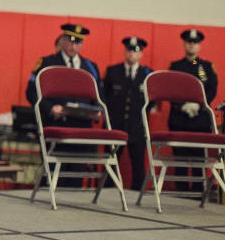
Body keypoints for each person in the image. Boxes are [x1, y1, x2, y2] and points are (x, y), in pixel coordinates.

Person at [25, 23, 102, 188]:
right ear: (63, 40)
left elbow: (98, 96)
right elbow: (31, 92)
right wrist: (50, 108)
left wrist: (97, 112)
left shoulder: (90, 67)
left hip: (81, 128)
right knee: (52, 175)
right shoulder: (46, 63)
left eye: (78, 42)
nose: (74, 46)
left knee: (76, 174)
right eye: (71, 41)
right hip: (56, 124)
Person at [168, 28, 218, 192]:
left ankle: (197, 193)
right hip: (179, 120)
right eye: (189, 42)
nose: (191, 45)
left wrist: (199, 104)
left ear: (199, 46)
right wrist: (182, 106)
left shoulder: (205, 67)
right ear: (184, 44)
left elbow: (210, 89)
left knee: (198, 162)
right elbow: (170, 89)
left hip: (199, 121)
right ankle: (181, 193)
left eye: (195, 42)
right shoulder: (176, 66)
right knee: (180, 161)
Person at [102, 36, 151, 191]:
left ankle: (138, 195)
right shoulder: (112, 71)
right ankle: (106, 192)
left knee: (138, 165)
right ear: (125, 52)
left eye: (135, 51)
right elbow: (105, 96)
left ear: (141, 54)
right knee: (110, 162)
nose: (132, 54)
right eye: (129, 51)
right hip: (115, 125)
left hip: (137, 126)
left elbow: (152, 100)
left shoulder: (148, 74)